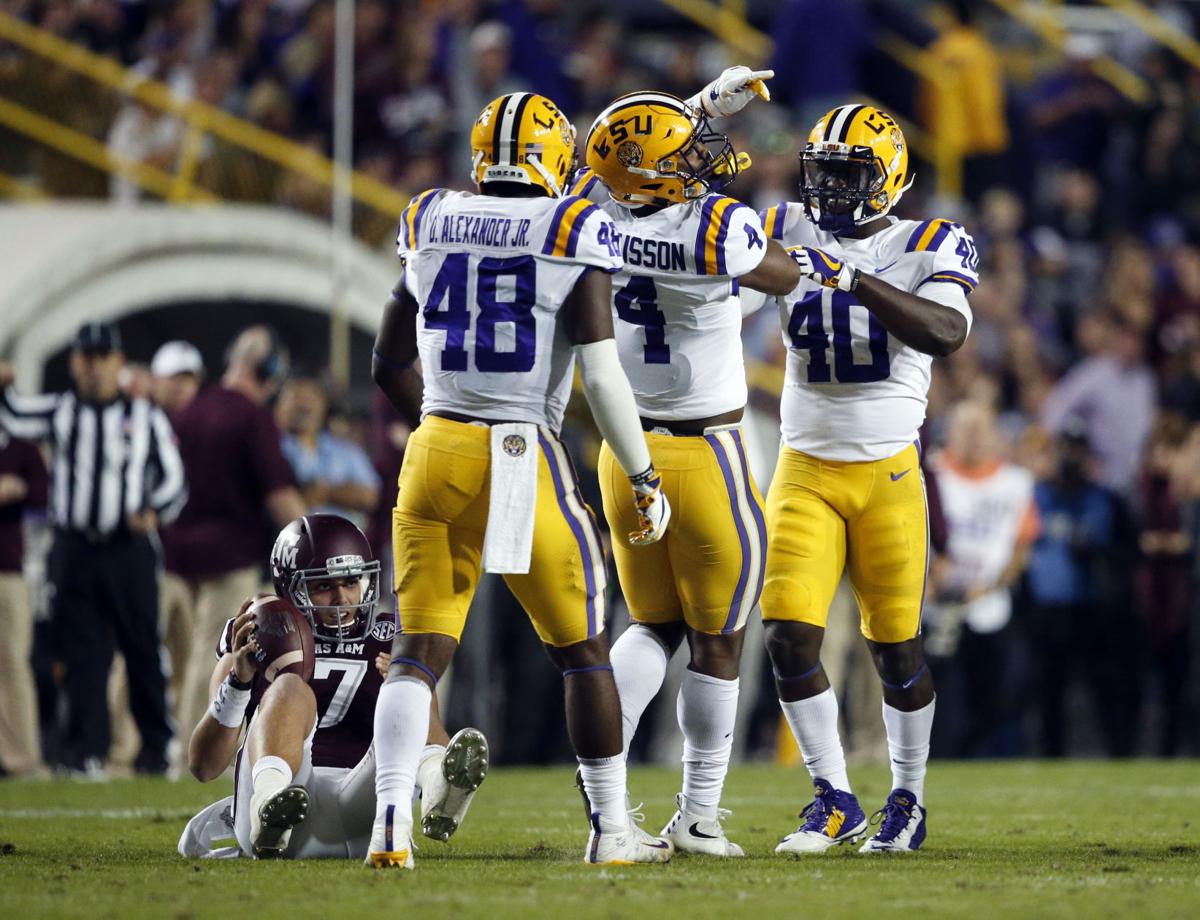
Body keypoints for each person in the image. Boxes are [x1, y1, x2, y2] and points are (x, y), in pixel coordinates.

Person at [369, 92, 672, 868]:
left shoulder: (429, 214)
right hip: (521, 453)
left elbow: (387, 361)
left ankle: (390, 828)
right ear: (551, 154)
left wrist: (442, 431)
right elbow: (602, 376)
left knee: (417, 650)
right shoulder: (571, 226)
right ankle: (610, 832)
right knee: (584, 653)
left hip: (436, 444)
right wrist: (642, 474)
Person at [572, 71, 802, 856]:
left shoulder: (590, 214)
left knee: (650, 626)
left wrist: (699, 107)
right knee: (719, 642)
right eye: (691, 149)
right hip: (709, 456)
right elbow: (782, 272)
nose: (706, 154)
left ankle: (608, 766)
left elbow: (610, 163)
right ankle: (698, 814)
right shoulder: (718, 229)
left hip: (624, 449)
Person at [751, 105, 977, 853]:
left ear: (890, 179)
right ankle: (834, 795)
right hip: (804, 465)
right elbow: (725, 290)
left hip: (886, 473)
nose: (832, 191)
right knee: (787, 634)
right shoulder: (784, 223)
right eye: (823, 173)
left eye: (850, 175)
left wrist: (852, 279)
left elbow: (945, 332)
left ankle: (907, 798)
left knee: (897, 649)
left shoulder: (929, 241)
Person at [180, 514, 488, 859]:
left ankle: (437, 785)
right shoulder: (260, 633)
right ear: (291, 587)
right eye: (324, 586)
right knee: (290, 690)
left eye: (350, 581)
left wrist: (403, 688)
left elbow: (429, 728)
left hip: (362, 811)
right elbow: (204, 765)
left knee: (407, 690)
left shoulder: (388, 638)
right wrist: (238, 683)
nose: (342, 598)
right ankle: (269, 802)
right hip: (282, 810)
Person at [0, 322, 186, 775]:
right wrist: (4, 390)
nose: (95, 367)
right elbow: (15, 418)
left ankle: (155, 748)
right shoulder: (60, 410)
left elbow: (175, 481)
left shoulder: (145, 416)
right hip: (75, 549)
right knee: (82, 652)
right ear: (74, 363)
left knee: (142, 646)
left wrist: (153, 511)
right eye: (87, 358)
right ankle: (88, 750)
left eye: (103, 357)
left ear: (118, 362)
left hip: (129, 548)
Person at [163, 326, 307, 761]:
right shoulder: (251, 416)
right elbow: (280, 495)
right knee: (213, 657)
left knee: (165, 659)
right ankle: (196, 753)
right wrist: (311, 535)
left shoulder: (191, 409)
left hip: (173, 553)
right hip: (229, 555)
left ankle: (128, 752)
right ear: (271, 369)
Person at [923, 402, 1037, 757]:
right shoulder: (932, 475)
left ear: (995, 435)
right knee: (939, 700)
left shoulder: (1015, 482)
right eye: (964, 428)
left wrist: (986, 587)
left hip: (989, 605)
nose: (972, 438)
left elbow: (1022, 547)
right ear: (950, 433)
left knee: (994, 695)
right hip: (934, 605)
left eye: (980, 428)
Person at [0, 427, 49, 777]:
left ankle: (21, 760)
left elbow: (45, 494)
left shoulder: (19, 446)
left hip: (7, 569)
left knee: (14, 664)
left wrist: (21, 488)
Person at [277, 371, 380, 531]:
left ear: (324, 405)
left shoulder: (345, 450)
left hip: (346, 548)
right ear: (279, 404)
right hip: (289, 549)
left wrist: (325, 492)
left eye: (313, 396)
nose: (305, 403)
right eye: (296, 395)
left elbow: (369, 496)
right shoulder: (271, 447)